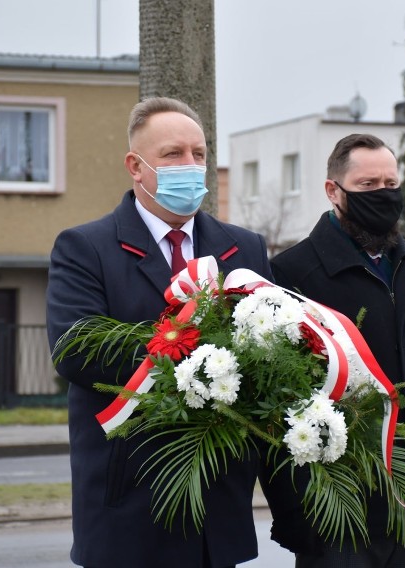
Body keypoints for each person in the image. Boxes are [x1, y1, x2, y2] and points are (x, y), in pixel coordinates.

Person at [46, 97, 272, 568]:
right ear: (136, 165)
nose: (191, 166)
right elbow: (77, 351)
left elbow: (270, 351)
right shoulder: (85, 248)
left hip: (217, 504)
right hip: (129, 504)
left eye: (199, 154)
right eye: (173, 155)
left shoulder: (244, 248)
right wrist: (195, 366)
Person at [264, 133, 405, 567]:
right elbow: (275, 408)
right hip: (336, 512)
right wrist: (292, 510)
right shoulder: (290, 276)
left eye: (391, 184)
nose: (384, 196)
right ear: (333, 190)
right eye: (368, 186)